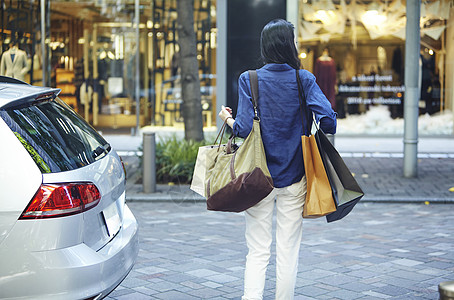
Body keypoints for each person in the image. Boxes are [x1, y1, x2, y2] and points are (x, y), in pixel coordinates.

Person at [218, 19, 337, 300]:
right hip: (294, 177)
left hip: (257, 177)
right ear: (289, 45)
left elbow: (244, 129)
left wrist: (227, 118)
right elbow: (329, 123)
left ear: (265, 46)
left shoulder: (250, 79)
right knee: (288, 250)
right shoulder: (304, 79)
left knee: (257, 249)